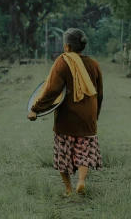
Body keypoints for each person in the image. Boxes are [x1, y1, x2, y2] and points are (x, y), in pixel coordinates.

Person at [27, 27, 103, 196]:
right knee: (84, 152)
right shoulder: (94, 64)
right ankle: (81, 181)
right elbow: (100, 93)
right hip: (87, 119)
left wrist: (35, 109)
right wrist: (94, 116)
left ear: (67, 46)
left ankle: (68, 190)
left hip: (66, 120)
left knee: (64, 154)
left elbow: (51, 90)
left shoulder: (62, 62)